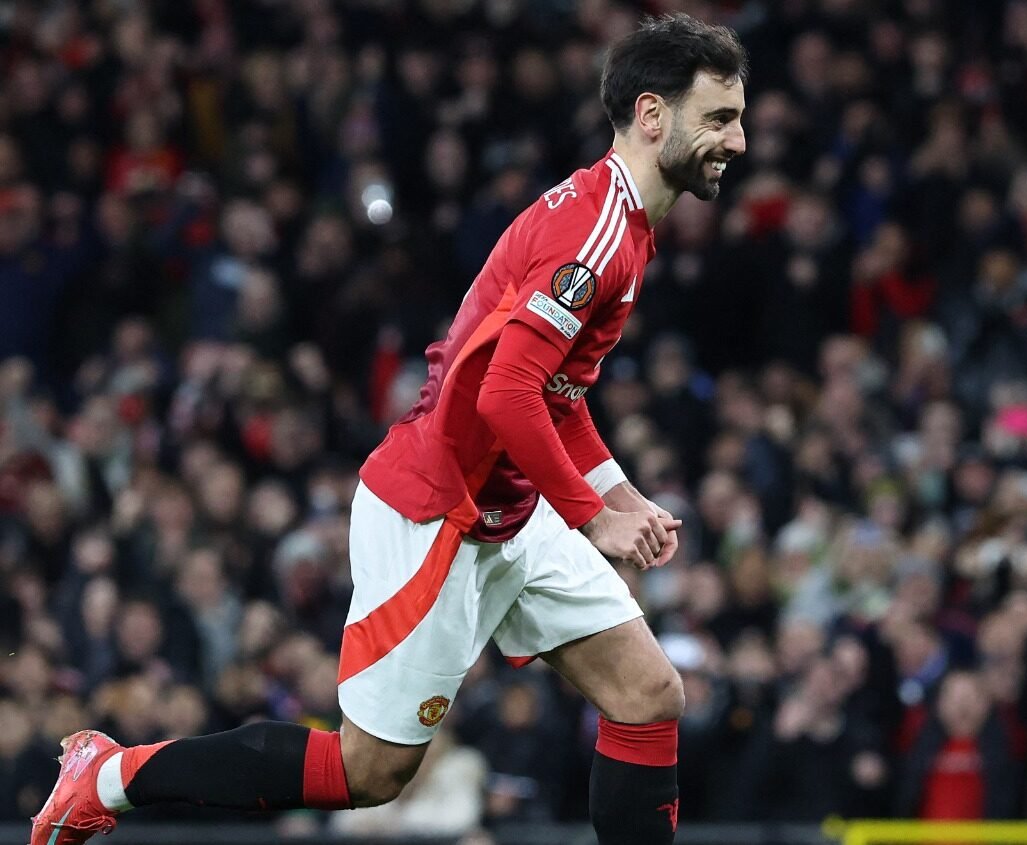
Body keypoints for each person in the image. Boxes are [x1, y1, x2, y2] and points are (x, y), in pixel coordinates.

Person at [29, 14, 748, 845]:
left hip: (511, 506)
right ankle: (111, 776)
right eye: (719, 118)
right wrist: (593, 517)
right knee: (366, 772)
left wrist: (619, 493)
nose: (737, 140)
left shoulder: (617, 220)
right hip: (440, 511)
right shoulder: (594, 236)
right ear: (652, 114)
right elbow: (506, 395)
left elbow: (554, 388)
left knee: (649, 694)